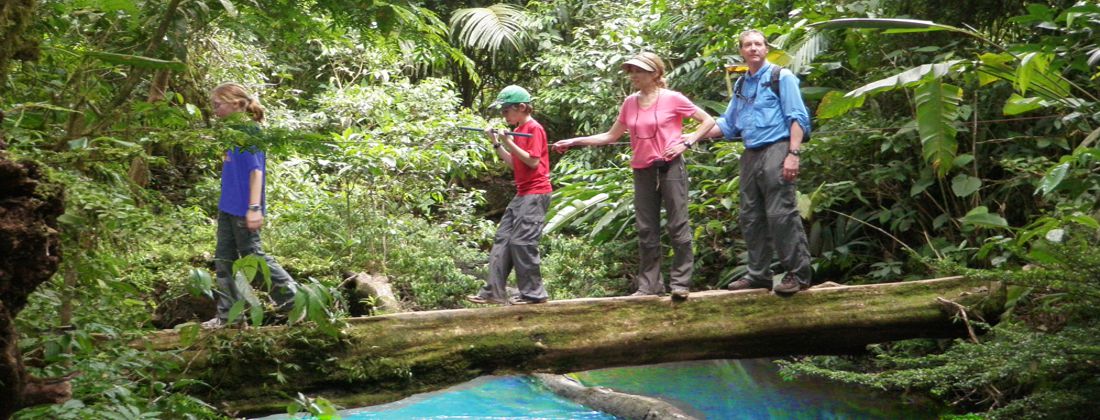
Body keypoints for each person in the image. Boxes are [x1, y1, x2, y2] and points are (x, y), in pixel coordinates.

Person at [553, 52, 715, 300]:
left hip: (670, 167)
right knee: (646, 228)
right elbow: (610, 136)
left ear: (654, 73)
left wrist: (688, 141)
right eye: (631, 71)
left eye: (638, 71)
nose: (633, 76)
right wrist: (575, 141)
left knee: (677, 225)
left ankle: (680, 283)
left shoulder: (673, 99)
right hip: (642, 170)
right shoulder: (630, 102)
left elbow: (707, 120)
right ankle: (649, 285)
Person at [702, 29, 813, 294]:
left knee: (781, 214)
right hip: (750, 152)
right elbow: (728, 125)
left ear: (766, 48)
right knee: (750, 216)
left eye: (758, 44)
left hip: (777, 147)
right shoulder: (742, 84)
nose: (753, 48)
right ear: (741, 50)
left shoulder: (780, 77)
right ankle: (758, 275)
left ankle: (797, 275)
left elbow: (798, 117)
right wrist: (690, 136)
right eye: (748, 45)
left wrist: (793, 155)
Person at [202, 82, 299, 328]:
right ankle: (230, 318)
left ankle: (297, 303)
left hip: (245, 209)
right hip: (228, 207)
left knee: (254, 259)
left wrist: (254, 208)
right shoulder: (232, 132)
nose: (215, 110)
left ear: (235, 104)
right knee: (223, 261)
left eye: (218, 105)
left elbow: (256, 172)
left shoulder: (250, 132)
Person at [466, 85, 553, 305]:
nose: (504, 115)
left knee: (522, 242)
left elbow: (533, 161)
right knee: (502, 240)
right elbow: (516, 164)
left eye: (506, 111)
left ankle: (533, 294)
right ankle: (493, 292)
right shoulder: (518, 130)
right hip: (522, 193)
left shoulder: (534, 128)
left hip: (536, 193)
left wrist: (508, 141)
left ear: (522, 107)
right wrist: (496, 143)